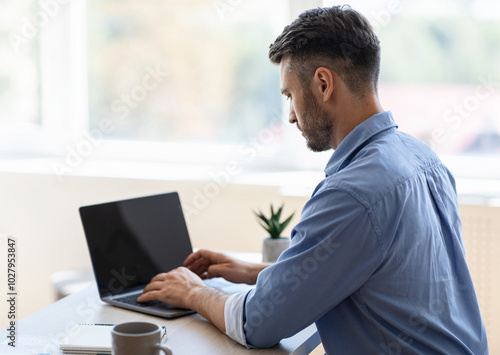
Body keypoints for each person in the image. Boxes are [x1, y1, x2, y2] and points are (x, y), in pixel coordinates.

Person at [138, 5, 489, 354]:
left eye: (290, 95)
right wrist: (252, 272)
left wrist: (193, 292)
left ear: (323, 83)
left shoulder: (352, 192)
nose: (290, 116)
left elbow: (258, 324)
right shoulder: (423, 158)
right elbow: (374, 272)